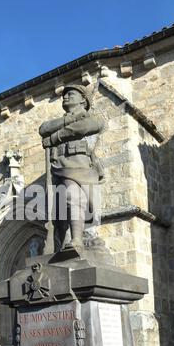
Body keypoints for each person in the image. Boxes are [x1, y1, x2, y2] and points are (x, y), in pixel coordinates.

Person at [39, 84, 104, 251]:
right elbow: (43, 128)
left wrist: (55, 137)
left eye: (71, 94)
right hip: (59, 165)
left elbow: (88, 126)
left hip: (79, 164)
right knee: (61, 210)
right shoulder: (61, 120)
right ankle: (67, 242)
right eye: (64, 94)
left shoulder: (92, 118)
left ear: (83, 100)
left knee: (74, 197)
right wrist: (69, 119)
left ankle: (77, 240)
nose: (65, 96)